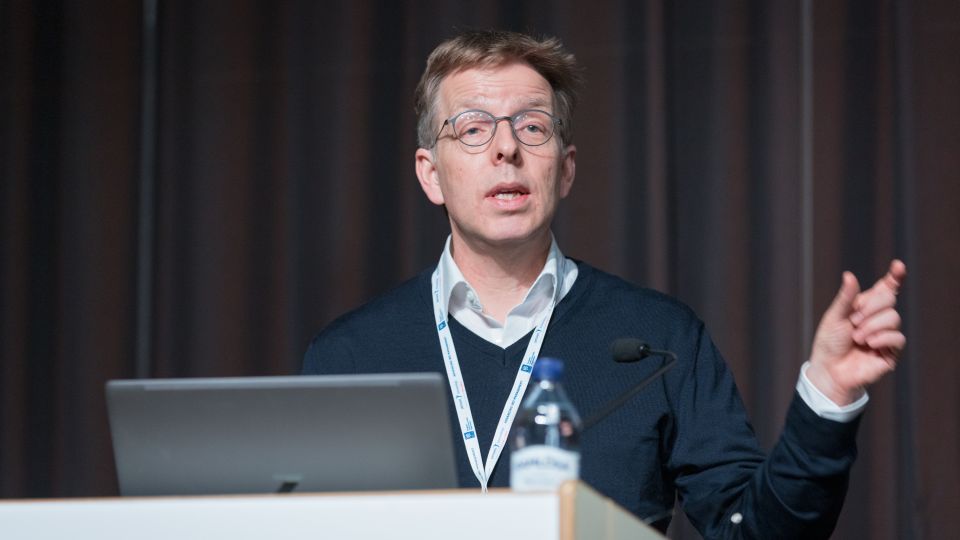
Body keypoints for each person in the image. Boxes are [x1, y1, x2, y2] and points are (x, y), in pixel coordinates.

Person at [302, 29, 906, 538]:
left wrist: (826, 398)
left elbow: (754, 529)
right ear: (431, 175)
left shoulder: (659, 338)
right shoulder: (350, 355)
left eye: (533, 127)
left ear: (564, 170)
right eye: (473, 129)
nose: (507, 148)